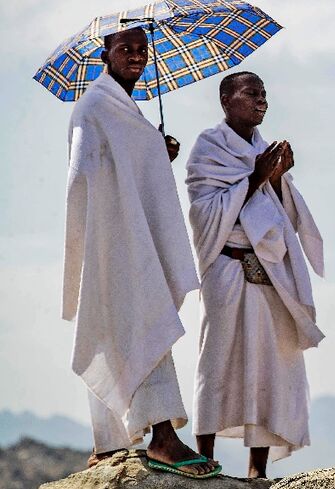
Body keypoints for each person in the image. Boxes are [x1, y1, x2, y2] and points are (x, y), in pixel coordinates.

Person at [63, 27, 220, 478]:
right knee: (140, 318)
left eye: (141, 50)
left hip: (128, 235)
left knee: (119, 323)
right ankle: (164, 439)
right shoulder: (94, 105)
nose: (135, 56)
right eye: (125, 49)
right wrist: (147, 148)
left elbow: (125, 165)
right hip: (113, 238)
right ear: (105, 53)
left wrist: (155, 151)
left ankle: (110, 442)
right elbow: (83, 175)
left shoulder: (123, 106)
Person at [185, 71, 325, 478]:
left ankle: (257, 469)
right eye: (251, 93)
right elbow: (203, 212)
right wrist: (257, 176)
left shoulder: (263, 148)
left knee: (268, 363)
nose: (261, 100)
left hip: (267, 270)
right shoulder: (208, 148)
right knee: (217, 359)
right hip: (226, 266)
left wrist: (278, 179)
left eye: (264, 94)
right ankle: (204, 456)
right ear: (227, 100)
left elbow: (282, 212)